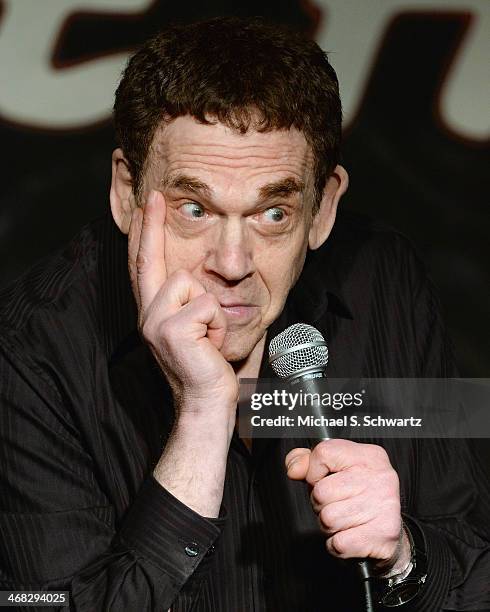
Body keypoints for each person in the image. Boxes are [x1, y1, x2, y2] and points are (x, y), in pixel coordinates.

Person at [0, 17, 488, 612]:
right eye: (194, 208)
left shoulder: (381, 280)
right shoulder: (27, 348)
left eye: (273, 214)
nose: (232, 264)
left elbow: (473, 566)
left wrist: (403, 557)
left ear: (324, 208)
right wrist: (204, 414)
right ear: (127, 194)